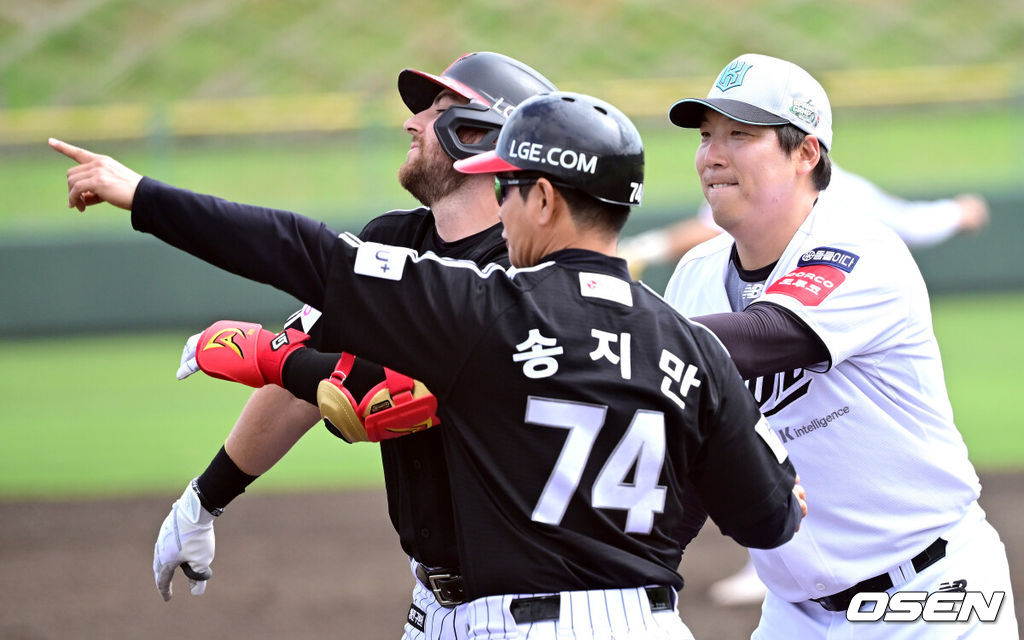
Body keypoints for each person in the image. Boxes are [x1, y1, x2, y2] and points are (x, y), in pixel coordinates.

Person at [54, 90, 807, 639]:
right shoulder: (696, 346)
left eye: (508, 187)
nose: (501, 206)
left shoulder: (485, 312)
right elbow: (771, 518)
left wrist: (138, 193)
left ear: (543, 198)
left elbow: (299, 250)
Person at [76, 51, 556, 640]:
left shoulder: (527, 269)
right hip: (435, 601)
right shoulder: (394, 240)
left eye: (437, 110)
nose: (411, 123)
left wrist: (263, 353)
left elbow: (387, 401)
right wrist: (205, 498)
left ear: (480, 134)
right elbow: (301, 375)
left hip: (535, 603)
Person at [662, 53, 1017, 638]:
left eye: (741, 135)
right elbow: (679, 431)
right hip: (793, 611)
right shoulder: (696, 276)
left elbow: (768, 336)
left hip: (928, 594)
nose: (712, 155)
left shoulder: (856, 246)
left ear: (806, 153)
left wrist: (611, 324)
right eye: (706, 136)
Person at [620, 166, 990, 280]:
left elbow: (909, 226)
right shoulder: (752, 183)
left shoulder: (837, 190)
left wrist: (958, 212)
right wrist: (959, 212)